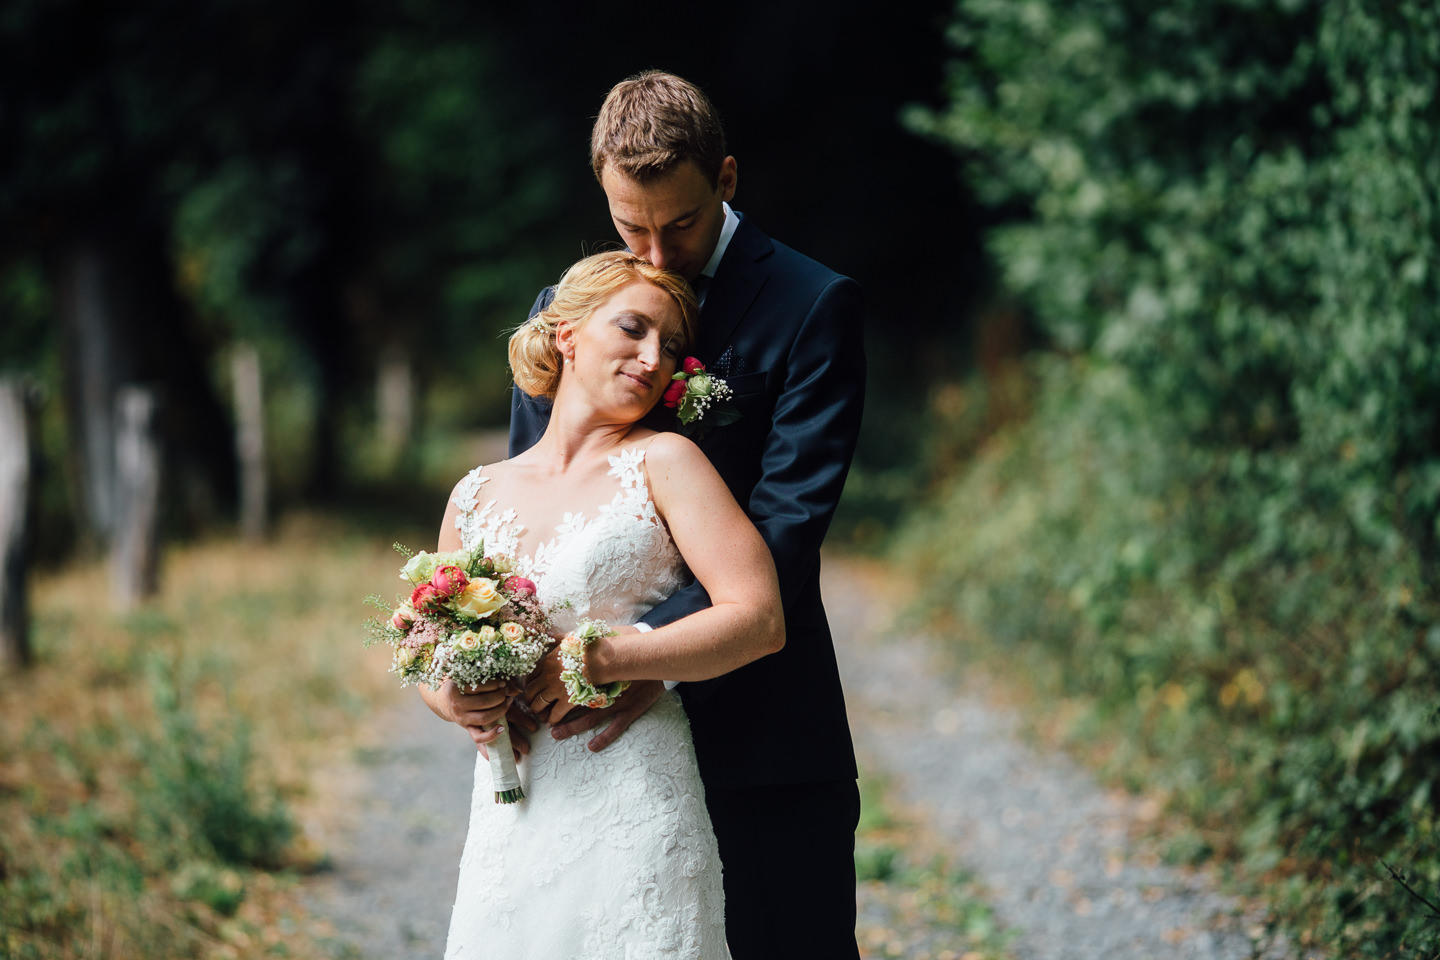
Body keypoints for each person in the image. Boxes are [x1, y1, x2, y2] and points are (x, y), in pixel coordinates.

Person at [509, 71, 866, 959]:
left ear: (727, 179)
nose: (658, 257)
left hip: (761, 732)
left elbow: (786, 526)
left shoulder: (811, 305)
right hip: (588, 751)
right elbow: (527, 511)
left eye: (681, 225)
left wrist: (645, 655)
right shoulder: (565, 314)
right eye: (631, 227)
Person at [424, 250, 782, 958]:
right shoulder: (475, 494)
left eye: (671, 347)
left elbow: (759, 618)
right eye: (633, 329)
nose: (654, 358)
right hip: (515, 811)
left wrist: (608, 656)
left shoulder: (667, 462)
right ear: (567, 334)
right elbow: (433, 657)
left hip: (632, 795)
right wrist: (455, 701)